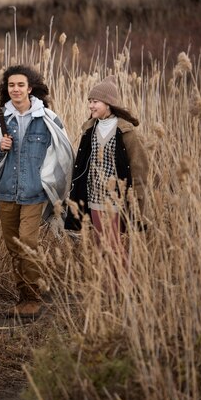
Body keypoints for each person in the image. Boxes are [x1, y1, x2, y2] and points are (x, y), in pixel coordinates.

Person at [0, 65, 73, 319]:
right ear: (7, 89)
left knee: (27, 242)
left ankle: (33, 298)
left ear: (30, 88)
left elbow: (64, 152)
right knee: (14, 247)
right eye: (11, 85)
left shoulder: (48, 118)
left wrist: (56, 187)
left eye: (20, 85)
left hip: (35, 193)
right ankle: (23, 297)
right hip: (6, 193)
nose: (15, 89)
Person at [64, 75, 149, 265]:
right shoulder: (90, 129)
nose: (91, 106)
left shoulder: (125, 131)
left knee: (112, 246)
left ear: (108, 103)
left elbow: (139, 166)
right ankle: (109, 288)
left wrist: (137, 199)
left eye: (95, 102)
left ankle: (124, 289)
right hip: (94, 197)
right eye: (90, 102)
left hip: (116, 199)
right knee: (100, 244)